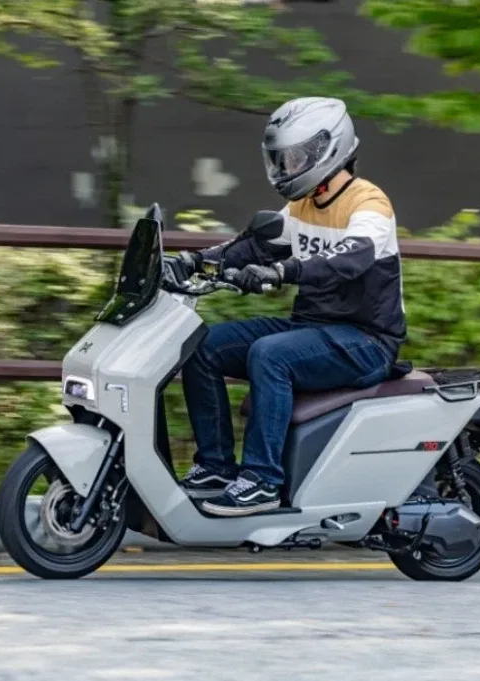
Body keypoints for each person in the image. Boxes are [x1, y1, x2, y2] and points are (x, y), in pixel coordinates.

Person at [173, 96, 408, 517]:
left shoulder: (369, 203)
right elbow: (255, 246)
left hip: (366, 340)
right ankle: (216, 468)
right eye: (282, 159)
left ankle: (262, 481)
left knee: (271, 354)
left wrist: (284, 272)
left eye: (296, 158)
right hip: (313, 329)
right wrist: (195, 260)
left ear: (328, 149)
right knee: (201, 345)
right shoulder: (302, 205)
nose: (286, 168)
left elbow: (351, 258)